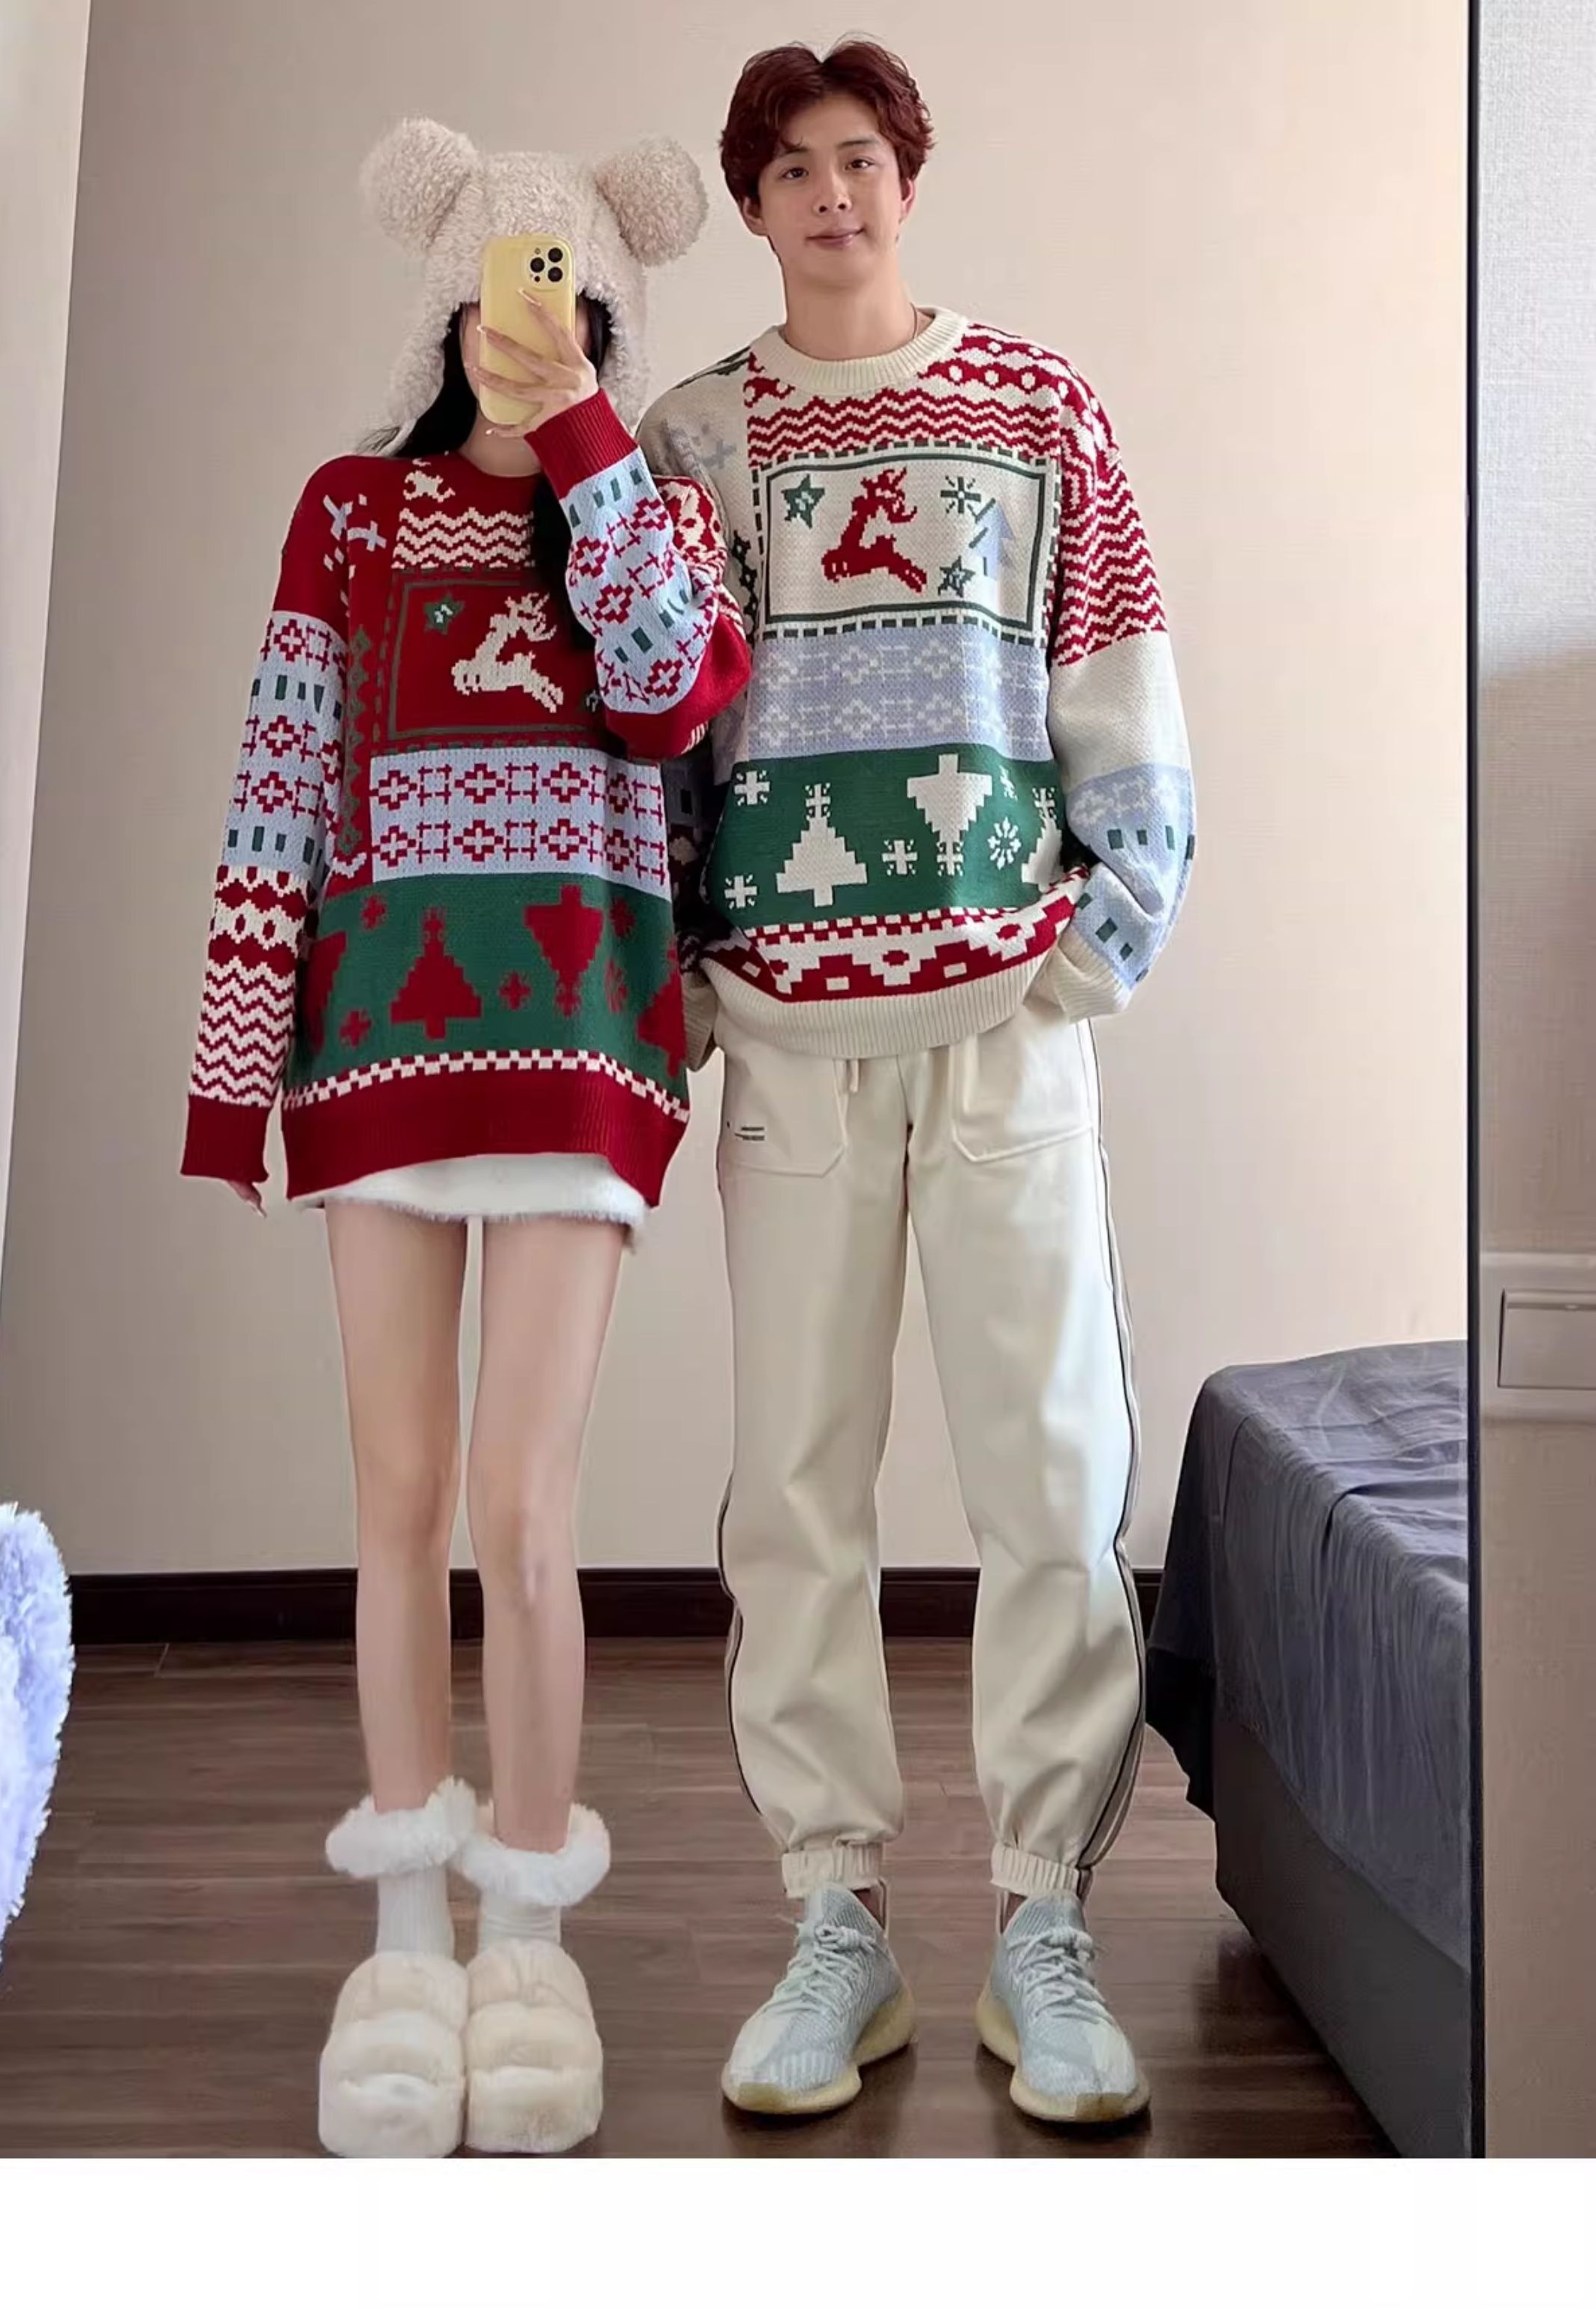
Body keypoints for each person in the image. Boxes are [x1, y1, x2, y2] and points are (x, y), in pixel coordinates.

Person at [639, 39, 1194, 2127]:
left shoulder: (1037, 410)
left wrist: (1101, 935)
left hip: (1001, 1027)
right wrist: (684, 962)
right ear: (754, 203)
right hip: (791, 1041)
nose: (833, 194)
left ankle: (1045, 1924)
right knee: (795, 1488)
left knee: (1050, 1479)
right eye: (792, 167)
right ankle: (835, 1923)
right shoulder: (698, 437)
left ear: (908, 174)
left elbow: (1122, 678)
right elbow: (657, 719)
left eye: (860, 157)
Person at [181, 118, 747, 2159]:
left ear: (606, 313)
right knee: (401, 1495)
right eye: (506, 284)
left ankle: (529, 1942)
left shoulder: (647, 509)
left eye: (570, 288)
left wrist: (588, 437)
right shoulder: (350, 511)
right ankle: (407, 1940)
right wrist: (233, 1064)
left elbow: (677, 699)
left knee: (525, 1503)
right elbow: (278, 781)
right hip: (378, 1054)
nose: (532, 316)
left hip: (582, 1045)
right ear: (448, 303)